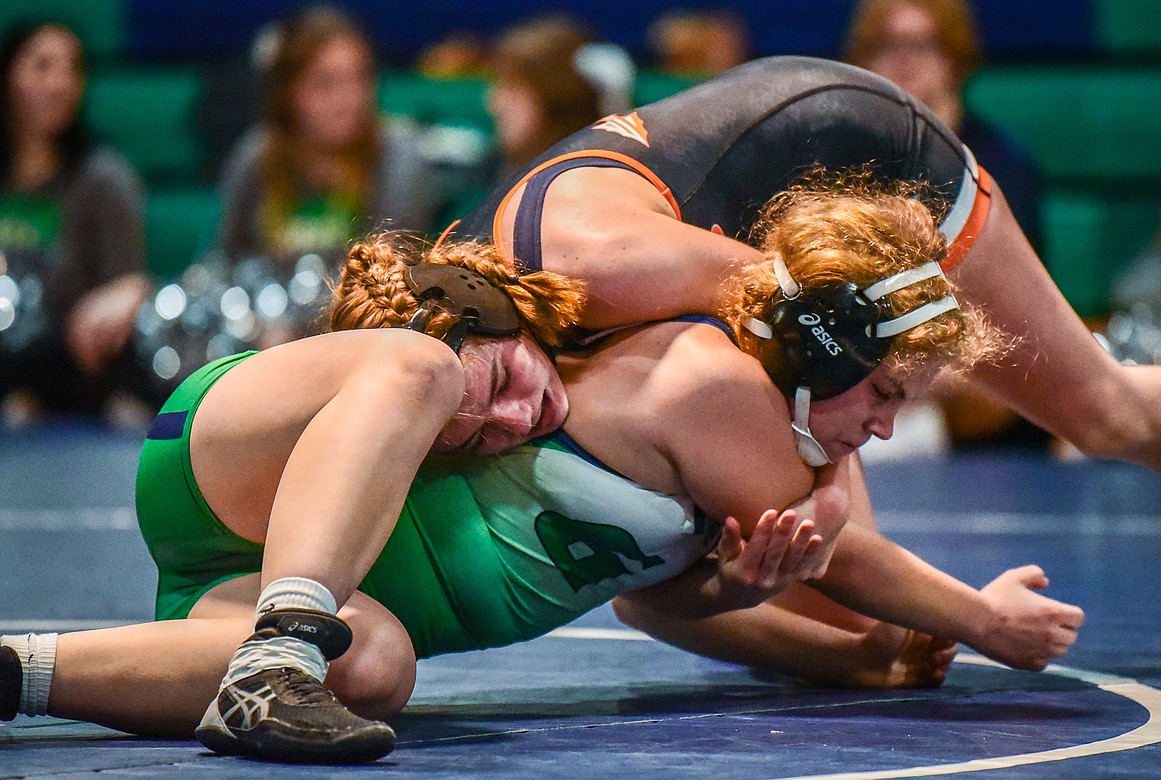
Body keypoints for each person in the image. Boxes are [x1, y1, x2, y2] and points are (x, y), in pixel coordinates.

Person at [1, 182, 1081, 764]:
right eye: (881, 396)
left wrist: (806, 638)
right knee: (420, 366)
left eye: (518, 377)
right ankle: (282, 644)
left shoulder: (672, 404)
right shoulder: (706, 384)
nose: (524, 417)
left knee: (375, 669)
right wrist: (981, 621)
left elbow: (655, 602)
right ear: (835, 354)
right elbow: (849, 554)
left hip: (294, 567)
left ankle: (28, 671)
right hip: (226, 451)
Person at [447, 54, 1161, 479]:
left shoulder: (594, 265)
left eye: (486, 414)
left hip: (867, 154)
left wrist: (825, 489)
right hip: (781, 156)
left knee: (1107, 414)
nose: (506, 425)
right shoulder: (480, 282)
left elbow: (817, 325)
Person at [843, 0, 1050, 451]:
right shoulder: (843, 165)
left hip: (965, 382)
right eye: (886, 45)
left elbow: (1019, 317)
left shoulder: (1000, 170)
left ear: (954, 57)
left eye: (923, 45)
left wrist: (936, 369)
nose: (904, 60)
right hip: (861, 374)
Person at [0, 21, 152, 422]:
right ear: (7, 77)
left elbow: (130, 283)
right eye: (42, 66)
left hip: (69, 350)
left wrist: (122, 296)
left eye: (73, 69)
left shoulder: (105, 177)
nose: (60, 83)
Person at [214, 5, 436, 270]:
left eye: (360, 78)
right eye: (325, 83)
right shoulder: (257, 155)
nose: (349, 99)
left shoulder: (398, 155)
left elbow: (393, 269)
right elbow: (224, 261)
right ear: (287, 91)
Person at [486, 15, 632, 185]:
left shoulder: (609, 186)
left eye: (512, 88)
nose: (495, 105)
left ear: (560, 99)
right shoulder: (491, 174)